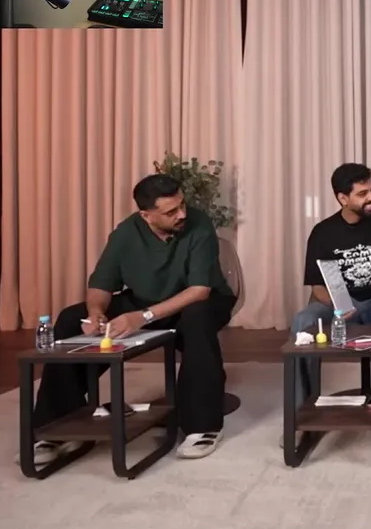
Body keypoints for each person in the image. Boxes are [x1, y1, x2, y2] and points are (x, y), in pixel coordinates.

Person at [27, 174, 238, 463]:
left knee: (197, 318)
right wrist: (96, 313)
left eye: (182, 205)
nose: (182, 214)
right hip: (145, 301)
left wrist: (143, 317)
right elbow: (100, 285)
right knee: (71, 318)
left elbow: (200, 290)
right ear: (146, 215)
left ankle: (203, 427)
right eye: (171, 211)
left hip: (200, 301)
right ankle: (58, 427)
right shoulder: (125, 233)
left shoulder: (198, 224)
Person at [288, 163, 371, 452]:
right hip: (341, 303)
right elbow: (317, 287)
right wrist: (337, 304)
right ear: (342, 198)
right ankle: (301, 415)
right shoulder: (323, 232)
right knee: (302, 323)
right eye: (362, 194)